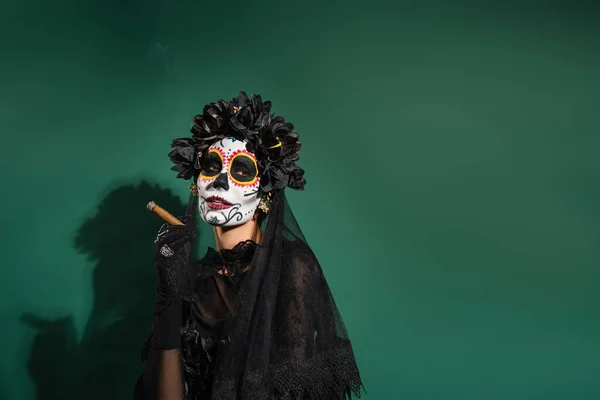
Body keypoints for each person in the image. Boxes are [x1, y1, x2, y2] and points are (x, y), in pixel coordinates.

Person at [134, 92, 363, 400]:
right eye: (211, 167)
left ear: (266, 193)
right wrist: (167, 296)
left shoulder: (291, 268)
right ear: (195, 182)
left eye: (242, 171)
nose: (219, 182)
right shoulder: (196, 280)